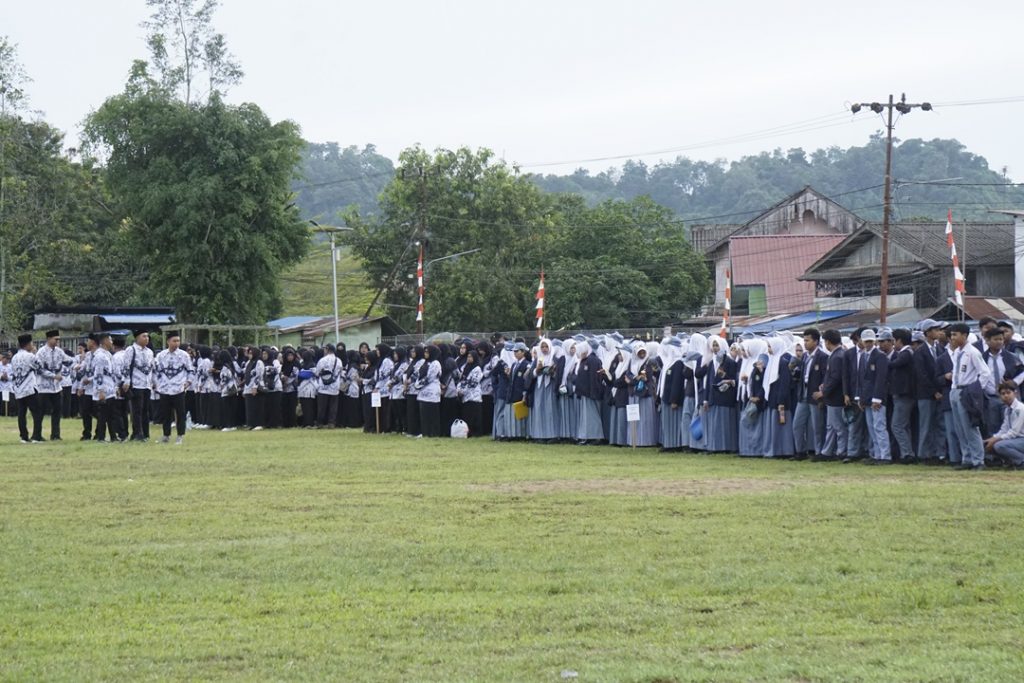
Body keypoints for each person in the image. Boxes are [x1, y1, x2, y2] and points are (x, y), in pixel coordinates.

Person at [947, 322, 993, 470]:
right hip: (955, 390)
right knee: (959, 428)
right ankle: (966, 458)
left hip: (966, 391)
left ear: (964, 335)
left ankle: (978, 460)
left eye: (955, 335)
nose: (952, 338)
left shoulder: (972, 352)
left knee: (970, 427)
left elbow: (985, 373)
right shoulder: (957, 352)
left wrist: (975, 390)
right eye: (951, 335)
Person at [852, 329, 891, 464]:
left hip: (877, 398)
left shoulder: (880, 356)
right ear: (862, 342)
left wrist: (877, 398)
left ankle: (885, 456)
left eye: (870, 341)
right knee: (871, 428)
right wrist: (859, 397)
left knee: (879, 426)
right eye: (866, 341)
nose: (868, 344)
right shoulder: (863, 356)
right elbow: (860, 378)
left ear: (874, 341)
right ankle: (877, 455)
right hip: (866, 397)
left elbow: (881, 378)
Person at [792, 328, 827, 459]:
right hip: (803, 393)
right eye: (804, 340)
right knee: (797, 424)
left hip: (815, 394)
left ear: (816, 341)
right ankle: (800, 451)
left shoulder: (823, 357)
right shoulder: (805, 356)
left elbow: (825, 377)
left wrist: (822, 394)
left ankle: (819, 452)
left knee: (817, 426)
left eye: (807, 340)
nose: (805, 343)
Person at [154, 331, 193, 444]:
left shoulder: (184, 355)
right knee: (165, 413)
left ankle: (180, 435)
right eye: (174, 341)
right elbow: (156, 371)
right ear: (168, 342)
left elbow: (190, 370)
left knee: (180, 413)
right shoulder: (161, 355)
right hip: (164, 389)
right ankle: (166, 435)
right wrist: (157, 383)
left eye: (178, 341)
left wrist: (188, 382)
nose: (176, 343)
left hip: (178, 388)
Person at [815, 329, 847, 461]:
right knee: (831, 426)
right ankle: (827, 451)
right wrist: (825, 385)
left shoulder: (837, 356)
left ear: (828, 342)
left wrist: (823, 392)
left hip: (835, 397)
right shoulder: (837, 354)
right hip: (832, 396)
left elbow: (836, 378)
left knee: (838, 426)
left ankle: (841, 451)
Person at [913, 321, 942, 463]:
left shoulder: (940, 349)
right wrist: (934, 391)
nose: (938, 332)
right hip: (925, 394)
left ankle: (937, 453)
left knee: (938, 424)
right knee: (926, 424)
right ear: (927, 332)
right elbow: (921, 374)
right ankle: (924, 454)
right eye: (935, 329)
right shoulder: (920, 352)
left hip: (939, 393)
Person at [887, 328, 916, 463]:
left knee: (897, 425)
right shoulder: (905, 353)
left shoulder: (906, 353)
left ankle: (907, 453)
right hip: (903, 394)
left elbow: (893, 364)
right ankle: (908, 452)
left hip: (904, 394)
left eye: (894, 340)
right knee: (903, 426)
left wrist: (881, 359)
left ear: (899, 340)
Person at [33, 330, 66, 441]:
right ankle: (37, 435)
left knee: (57, 411)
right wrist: (53, 376)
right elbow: (39, 369)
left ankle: (55, 434)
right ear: (49, 339)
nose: (57, 341)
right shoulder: (41, 352)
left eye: (58, 339)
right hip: (44, 387)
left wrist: (79, 364)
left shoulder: (59, 352)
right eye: (55, 339)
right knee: (40, 412)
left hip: (56, 388)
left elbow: (67, 361)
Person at [123, 331, 154, 442]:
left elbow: (152, 368)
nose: (146, 338)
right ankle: (137, 433)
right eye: (143, 336)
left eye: (147, 336)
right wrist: (127, 381)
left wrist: (153, 381)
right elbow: (126, 366)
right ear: (137, 338)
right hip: (136, 384)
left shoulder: (149, 352)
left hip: (146, 384)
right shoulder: (131, 350)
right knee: (137, 410)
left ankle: (145, 433)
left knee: (145, 410)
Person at [574, 339, 606, 445]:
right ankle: (587, 436)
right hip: (585, 393)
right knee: (586, 417)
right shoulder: (585, 360)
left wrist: (594, 393)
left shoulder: (593, 360)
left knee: (592, 416)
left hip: (591, 393)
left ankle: (596, 437)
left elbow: (594, 378)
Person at [11, 334, 42, 444]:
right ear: (28, 344)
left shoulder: (14, 357)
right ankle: (36, 436)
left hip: (18, 388)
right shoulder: (30, 356)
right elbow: (39, 366)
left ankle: (24, 436)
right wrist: (34, 353)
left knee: (21, 413)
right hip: (29, 387)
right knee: (37, 412)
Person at [985, 381, 1024, 468]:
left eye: (1008, 393)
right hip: (1016, 440)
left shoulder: (1020, 409)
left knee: (999, 446)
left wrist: (995, 440)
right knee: (988, 444)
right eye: (1003, 394)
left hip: (1021, 439)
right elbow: (1004, 429)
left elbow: (1014, 432)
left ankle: (1021, 461)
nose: (1006, 396)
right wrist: (992, 438)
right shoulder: (1007, 409)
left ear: (1015, 394)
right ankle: (1012, 462)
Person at [417, 344, 443, 437]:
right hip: (423, 391)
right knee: (424, 415)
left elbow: (430, 377)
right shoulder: (425, 363)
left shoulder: (435, 363)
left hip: (432, 391)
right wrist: (417, 383)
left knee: (432, 414)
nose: (425, 354)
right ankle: (425, 432)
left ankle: (434, 433)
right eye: (425, 352)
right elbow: (419, 375)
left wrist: (418, 385)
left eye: (427, 352)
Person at [315, 344, 342, 428]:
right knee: (333, 406)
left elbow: (317, 372)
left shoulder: (322, 360)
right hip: (335, 385)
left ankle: (320, 423)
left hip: (323, 385)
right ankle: (331, 423)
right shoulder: (339, 360)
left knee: (322, 406)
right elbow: (340, 372)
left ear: (327, 349)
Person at [457, 350, 483, 436]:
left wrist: (463, 391)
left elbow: (473, 383)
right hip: (465, 397)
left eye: (471, 357)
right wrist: (459, 390)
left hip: (474, 396)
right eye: (468, 357)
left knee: (474, 416)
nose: (469, 358)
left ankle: (475, 433)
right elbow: (462, 379)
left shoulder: (477, 369)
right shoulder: (466, 367)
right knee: (467, 415)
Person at [242, 346, 265, 431]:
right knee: (250, 407)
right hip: (248, 387)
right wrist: (245, 389)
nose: (249, 355)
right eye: (249, 353)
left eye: (251, 353)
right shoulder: (248, 363)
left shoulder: (259, 362)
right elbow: (246, 376)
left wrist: (255, 387)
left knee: (257, 406)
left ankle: (259, 423)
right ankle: (251, 423)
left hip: (257, 387)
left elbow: (259, 375)